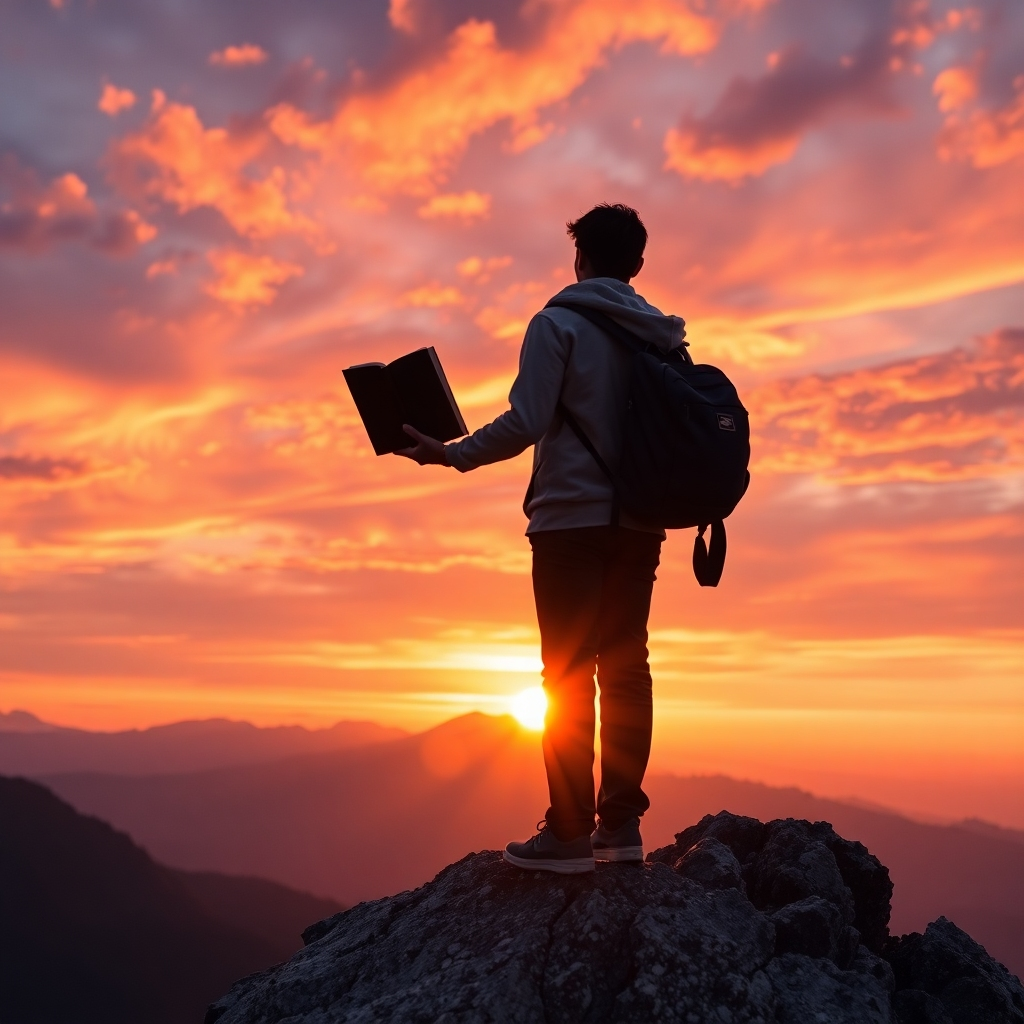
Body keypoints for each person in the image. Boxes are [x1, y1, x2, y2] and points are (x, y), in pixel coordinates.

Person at [397, 203, 686, 874]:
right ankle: (621, 830)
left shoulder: (556, 324)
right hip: (641, 524)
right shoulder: (663, 336)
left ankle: (567, 834)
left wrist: (451, 453)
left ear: (579, 257)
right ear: (638, 265)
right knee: (626, 669)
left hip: (568, 523)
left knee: (565, 673)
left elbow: (526, 421)